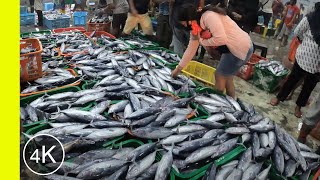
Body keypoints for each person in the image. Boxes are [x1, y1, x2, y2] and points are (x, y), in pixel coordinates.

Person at [171, 2, 254, 98]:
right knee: (227, 77)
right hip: (239, 47)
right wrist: (177, 70)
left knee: (219, 75)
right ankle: (232, 103)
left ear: (189, 18)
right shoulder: (195, 25)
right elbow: (191, 49)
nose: (184, 25)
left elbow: (221, 38)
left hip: (240, 47)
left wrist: (203, 42)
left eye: (183, 22)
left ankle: (219, 103)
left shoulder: (208, 16)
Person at [271, 2, 320, 118]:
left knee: (308, 87)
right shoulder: (311, 18)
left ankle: (298, 106)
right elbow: (298, 32)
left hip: (318, 65)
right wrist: (307, 45)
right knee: (292, 79)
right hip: (304, 57)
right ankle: (279, 97)